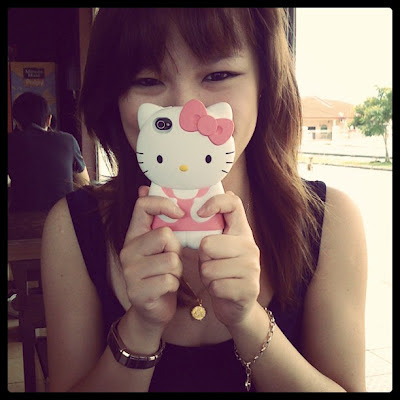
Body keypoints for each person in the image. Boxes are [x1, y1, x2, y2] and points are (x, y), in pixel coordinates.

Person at [41, 8, 367, 392]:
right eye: (147, 80)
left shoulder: (331, 221)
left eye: (218, 75)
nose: (184, 109)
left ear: (265, 80)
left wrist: (247, 319)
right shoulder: (73, 227)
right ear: (115, 97)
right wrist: (141, 326)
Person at [8, 92, 90, 212]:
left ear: (17, 123)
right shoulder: (68, 140)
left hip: (21, 218)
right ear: (49, 120)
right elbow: (84, 183)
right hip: (62, 217)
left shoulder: (10, 142)